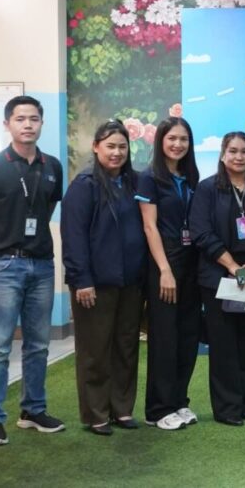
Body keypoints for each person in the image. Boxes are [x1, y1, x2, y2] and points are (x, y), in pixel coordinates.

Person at [0, 95, 66, 447]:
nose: (28, 124)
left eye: (34, 119)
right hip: (3, 265)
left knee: (38, 344)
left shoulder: (53, 166)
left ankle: (33, 410)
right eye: (20, 118)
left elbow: (46, 209)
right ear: (7, 124)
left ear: (41, 123)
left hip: (42, 264)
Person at [61, 120, 147, 436]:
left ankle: (121, 409)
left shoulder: (135, 183)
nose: (116, 152)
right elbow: (73, 237)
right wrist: (81, 280)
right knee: (95, 350)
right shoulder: (84, 186)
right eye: (110, 146)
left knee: (126, 347)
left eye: (122, 146)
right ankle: (96, 413)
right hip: (95, 284)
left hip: (131, 283)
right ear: (96, 147)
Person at [189, 131, 245, 426]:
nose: (239, 157)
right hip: (219, 276)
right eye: (233, 151)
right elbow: (200, 232)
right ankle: (227, 409)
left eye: (244, 151)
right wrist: (233, 266)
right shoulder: (207, 189)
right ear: (223, 154)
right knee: (223, 344)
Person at [136, 116, 201, 431]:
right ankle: (157, 409)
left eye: (183, 139)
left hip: (191, 263)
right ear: (160, 140)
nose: (177, 144)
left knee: (187, 336)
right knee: (164, 337)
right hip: (164, 263)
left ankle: (178, 401)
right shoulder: (149, 178)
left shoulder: (190, 177)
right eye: (172, 138)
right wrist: (164, 270)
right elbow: (150, 227)